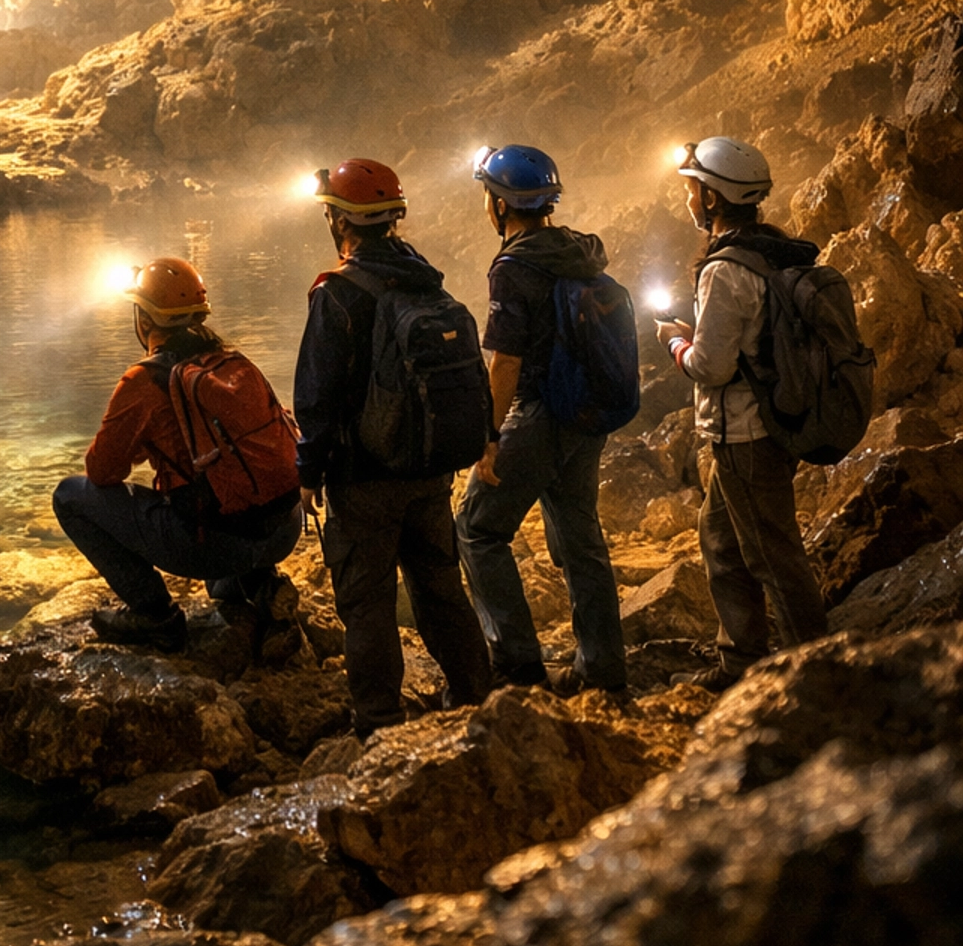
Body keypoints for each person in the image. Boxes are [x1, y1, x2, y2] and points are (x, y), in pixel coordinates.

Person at [294, 158, 492, 736]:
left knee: (367, 603)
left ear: (339, 221)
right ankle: (477, 701)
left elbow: (317, 396)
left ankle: (380, 723)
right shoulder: (423, 278)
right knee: (441, 590)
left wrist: (308, 472)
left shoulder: (337, 293)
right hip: (429, 467)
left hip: (364, 478)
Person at [53, 256, 303, 656]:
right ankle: (263, 586)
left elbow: (102, 472)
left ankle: (156, 616)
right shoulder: (231, 361)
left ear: (145, 321)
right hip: (285, 529)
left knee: (70, 496)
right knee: (219, 582)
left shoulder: (143, 381)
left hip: (217, 545)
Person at [457, 144, 630, 700]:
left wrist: (486, 437)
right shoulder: (579, 250)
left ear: (501, 206)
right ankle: (602, 669)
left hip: (539, 414)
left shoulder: (514, 266)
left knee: (477, 528)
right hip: (585, 413)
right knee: (581, 540)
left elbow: (505, 362)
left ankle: (518, 663)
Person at [656, 135, 827, 690]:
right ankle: (741, 664)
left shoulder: (724, 269)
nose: (687, 199)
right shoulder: (772, 250)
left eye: (692, 189)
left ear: (711, 198)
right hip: (771, 423)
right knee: (722, 544)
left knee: (774, 557)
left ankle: (820, 671)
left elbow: (710, 366)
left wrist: (676, 344)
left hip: (747, 436)